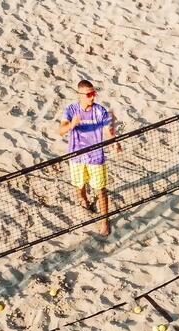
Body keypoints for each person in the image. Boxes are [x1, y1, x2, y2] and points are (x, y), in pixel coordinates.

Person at [58, 80, 117, 236]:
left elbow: (108, 129)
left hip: (96, 157)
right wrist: (72, 124)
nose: (92, 97)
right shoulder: (70, 110)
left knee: (101, 190)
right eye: (89, 94)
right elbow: (61, 131)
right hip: (76, 156)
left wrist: (114, 142)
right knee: (79, 185)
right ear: (80, 95)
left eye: (94, 93)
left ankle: (104, 221)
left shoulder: (99, 111)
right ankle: (84, 201)